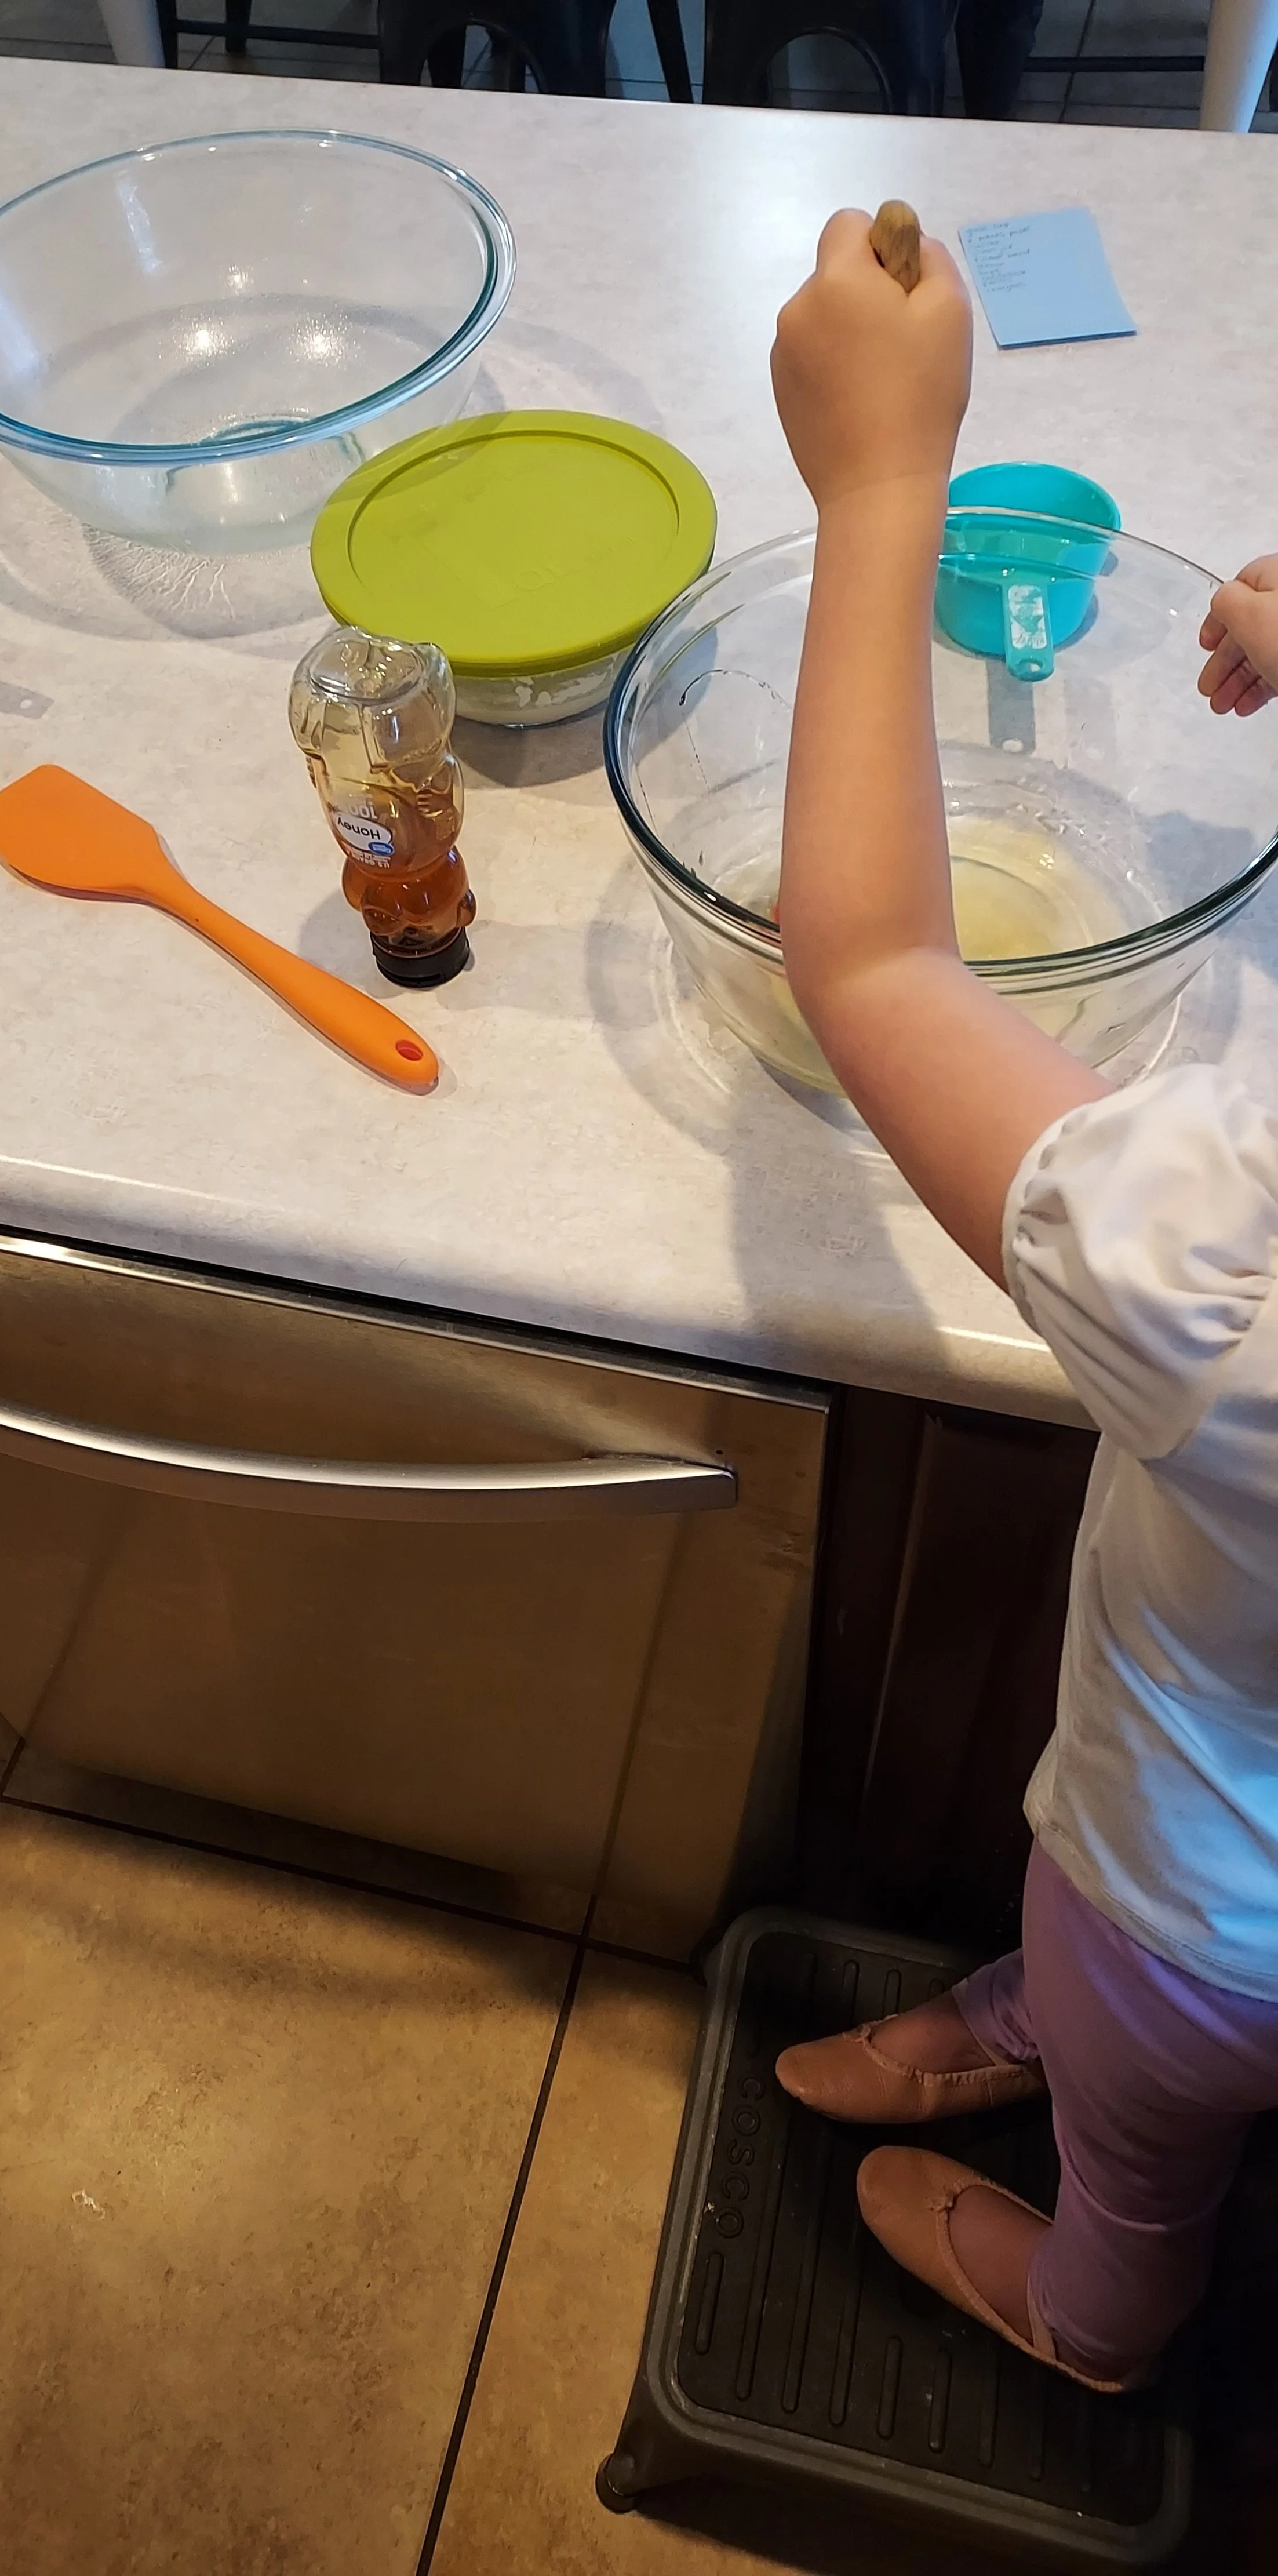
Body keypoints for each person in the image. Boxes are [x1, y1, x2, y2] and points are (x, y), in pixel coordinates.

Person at [767, 211, 1278, 2396]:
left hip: (1202, 1914)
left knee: (1140, 2119)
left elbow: (877, 961)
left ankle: (1085, 2310)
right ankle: (1053, 2018)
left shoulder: (1226, 1265)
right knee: (1112, 1983)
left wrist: (886, 481)